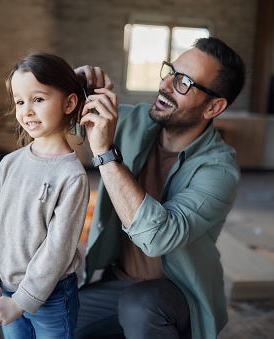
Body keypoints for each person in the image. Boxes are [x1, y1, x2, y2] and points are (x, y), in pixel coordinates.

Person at [75, 37, 246, 339]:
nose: (166, 85)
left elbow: (156, 239)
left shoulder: (220, 170)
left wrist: (105, 154)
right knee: (51, 321)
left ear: (214, 106)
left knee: (141, 307)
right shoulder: (133, 121)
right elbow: (60, 123)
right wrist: (72, 90)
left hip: (177, 296)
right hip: (119, 281)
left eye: (184, 82)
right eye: (170, 71)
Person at [0, 52, 90, 339]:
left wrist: (21, 302)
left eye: (38, 99)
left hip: (51, 298)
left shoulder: (72, 176)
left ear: (69, 103)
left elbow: (58, 250)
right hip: (5, 288)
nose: (26, 110)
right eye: (20, 101)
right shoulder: (9, 164)